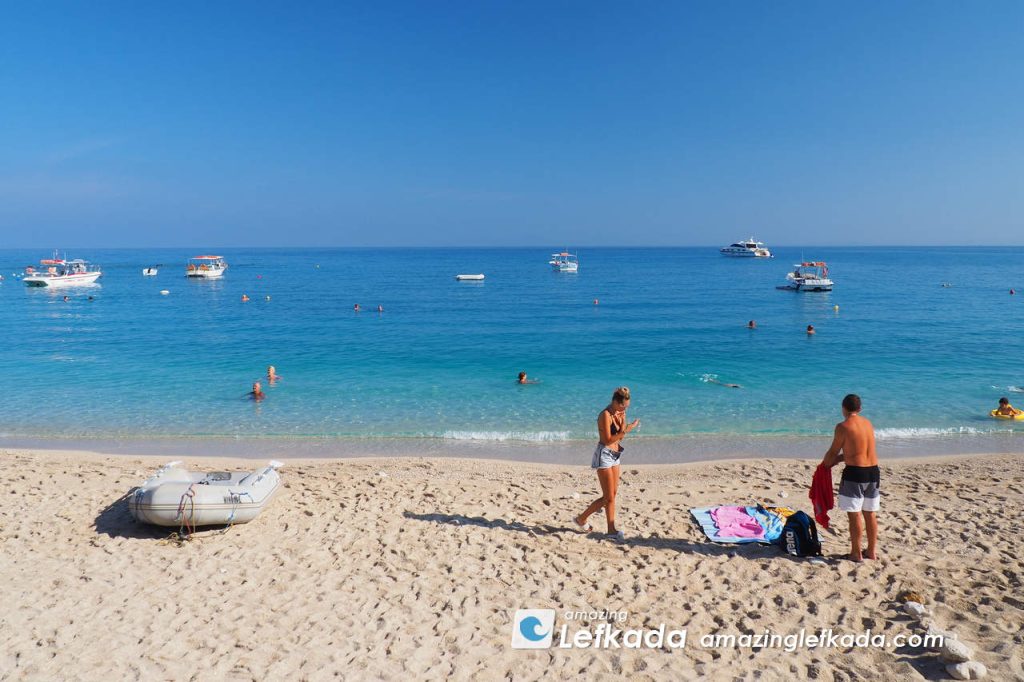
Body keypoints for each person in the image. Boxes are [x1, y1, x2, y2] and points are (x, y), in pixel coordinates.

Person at [574, 387, 639, 541]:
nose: (625, 408)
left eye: (627, 406)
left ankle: (608, 528)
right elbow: (607, 440)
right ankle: (582, 519)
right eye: (623, 406)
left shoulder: (621, 412)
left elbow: (619, 439)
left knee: (612, 495)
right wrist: (627, 429)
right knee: (608, 497)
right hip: (604, 455)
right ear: (615, 402)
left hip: (616, 454)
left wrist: (623, 420)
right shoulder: (605, 415)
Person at [820, 394, 879, 562]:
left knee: (855, 515)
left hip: (855, 474)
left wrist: (825, 465)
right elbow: (857, 452)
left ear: (843, 408)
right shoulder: (868, 424)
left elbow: (833, 452)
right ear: (860, 409)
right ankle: (872, 552)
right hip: (873, 472)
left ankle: (856, 553)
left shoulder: (843, 426)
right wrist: (839, 459)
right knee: (870, 514)